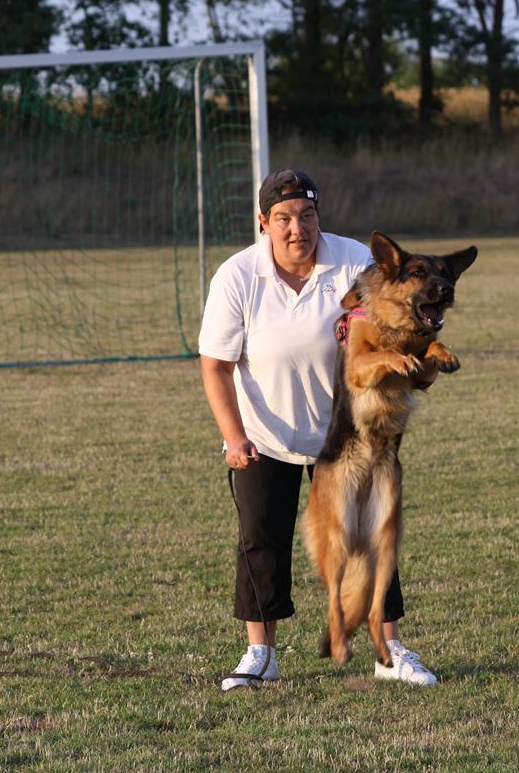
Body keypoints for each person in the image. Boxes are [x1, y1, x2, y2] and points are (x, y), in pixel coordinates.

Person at [198, 169, 439, 691]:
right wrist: (234, 437)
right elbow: (215, 365)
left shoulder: (352, 260)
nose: (296, 228)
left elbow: (400, 318)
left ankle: (388, 649)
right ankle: (260, 654)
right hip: (267, 438)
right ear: (264, 223)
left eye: (307, 215)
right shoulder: (237, 277)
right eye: (283, 218)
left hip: (349, 438)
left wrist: (415, 363)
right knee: (261, 540)